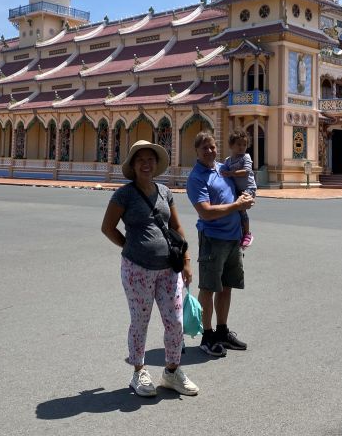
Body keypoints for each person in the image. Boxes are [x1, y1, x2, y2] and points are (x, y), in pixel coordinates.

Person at [101, 140, 199, 397]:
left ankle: (172, 371)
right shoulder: (124, 195)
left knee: (175, 322)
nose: (146, 164)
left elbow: (177, 228)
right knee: (140, 322)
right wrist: (130, 247)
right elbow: (107, 227)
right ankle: (138, 371)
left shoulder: (165, 192)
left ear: (156, 164)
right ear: (132, 165)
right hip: (138, 270)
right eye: (140, 160)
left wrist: (186, 260)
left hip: (169, 269)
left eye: (150, 159)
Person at [186, 132, 253, 357]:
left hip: (233, 237)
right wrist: (236, 206)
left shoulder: (223, 168)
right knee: (208, 288)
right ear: (196, 151)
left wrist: (247, 199)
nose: (210, 151)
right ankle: (207, 334)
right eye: (204, 148)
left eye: (213, 147)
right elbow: (205, 212)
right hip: (213, 239)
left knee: (226, 286)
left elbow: (245, 184)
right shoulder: (196, 177)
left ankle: (222, 331)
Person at [221, 129, 257, 248]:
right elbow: (222, 171)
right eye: (239, 144)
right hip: (236, 189)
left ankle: (247, 234)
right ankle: (237, 232)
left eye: (244, 144)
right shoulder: (228, 161)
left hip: (248, 188)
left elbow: (246, 172)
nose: (242, 147)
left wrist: (231, 173)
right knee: (232, 208)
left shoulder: (246, 157)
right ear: (231, 145)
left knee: (241, 208)